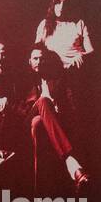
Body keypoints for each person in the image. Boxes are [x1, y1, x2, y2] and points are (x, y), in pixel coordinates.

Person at [24, 46, 88, 191]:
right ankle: (70, 161)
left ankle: (40, 190)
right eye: (35, 59)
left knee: (38, 122)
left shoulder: (56, 79)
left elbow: (70, 104)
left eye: (42, 58)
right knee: (42, 102)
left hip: (51, 121)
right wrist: (39, 103)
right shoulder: (26, 83)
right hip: (28, 117)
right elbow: (21, 110)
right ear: (29, 61)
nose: (39, 62)